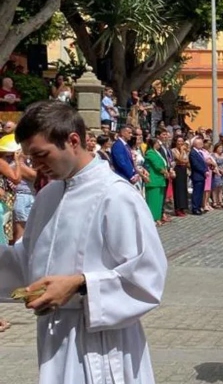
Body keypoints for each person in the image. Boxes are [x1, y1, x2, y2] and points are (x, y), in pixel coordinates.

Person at [0, 100, 167, 383]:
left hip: (102, 345)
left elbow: (147, 276)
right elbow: (26, 260)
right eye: (30, 158)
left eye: (41, 155)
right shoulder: (47, 196)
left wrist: (81, 284)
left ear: (73, 140)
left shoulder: (117, 196)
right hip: (55, 336)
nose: (37, 167)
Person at [143, 137, 168, 226]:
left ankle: (157, 217)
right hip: (154, 179)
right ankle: (152, 218)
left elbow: (163, 163)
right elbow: (157, 165)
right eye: (157, 143)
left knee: (159, 201)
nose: (159, 145)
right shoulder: (150, 153)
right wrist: (165, 172)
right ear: (153, 144)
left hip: (160, 180)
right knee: (153, 201)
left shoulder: (157, 153)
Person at [189, 136, 208, 215]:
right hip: (197, 175)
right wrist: (204, 171)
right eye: (199, 143)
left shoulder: (199, 152)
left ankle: (199, 207)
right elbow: (195, 164)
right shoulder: (193, 153)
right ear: (195, 144)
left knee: (200, 192)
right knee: (197, 192)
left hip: (202, 176)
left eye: (201, 143)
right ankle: (195, 208)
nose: (201, 144)